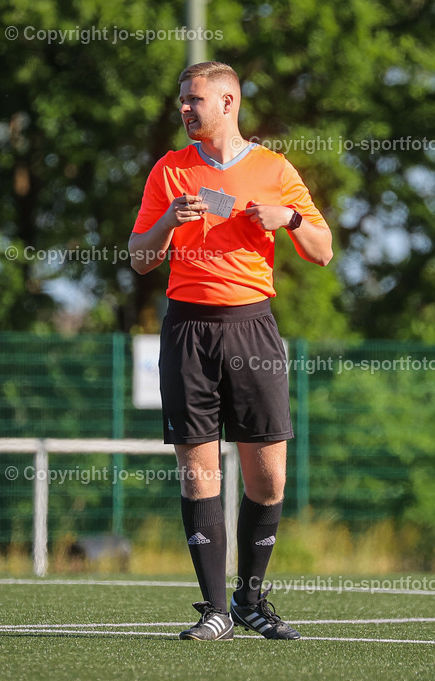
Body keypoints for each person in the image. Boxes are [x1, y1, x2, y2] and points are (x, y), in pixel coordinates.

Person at [129, 61, 333, 641]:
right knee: (199, 474)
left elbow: (323, 252)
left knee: (267, 480)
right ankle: (215, 608)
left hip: (253, 330)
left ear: (228, 102)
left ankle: (250, 597)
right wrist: (169, 220)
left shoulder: (273, 168)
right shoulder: (169, 171)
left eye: (194, 100)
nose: (185, 110)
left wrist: (289, 218)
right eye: (181, 103)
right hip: (187, 329)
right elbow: (140, 256)